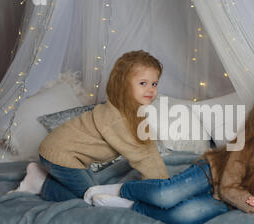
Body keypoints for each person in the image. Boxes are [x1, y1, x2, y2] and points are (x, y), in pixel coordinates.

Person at [84, 75, 254, 224]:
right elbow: (227, 187)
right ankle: (122, 189)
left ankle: (129, 205)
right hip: (214, 174)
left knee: (185, 216)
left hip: (233, 202)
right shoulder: (250, 141)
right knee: (167, 195)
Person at [9, 50, 169, 201]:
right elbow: (142, 157)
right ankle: (41, 184)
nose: (151, 89)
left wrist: (165, 181)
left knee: (94, 189)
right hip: (58, 153)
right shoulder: (118, 118)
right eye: (143, 83)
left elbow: (147, 147)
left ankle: (41, 175)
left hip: (75, 157)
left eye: (154, 84)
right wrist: (162, 189)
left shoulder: (134, 113)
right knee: (93, 198)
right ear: (122, 85)